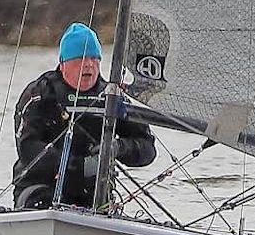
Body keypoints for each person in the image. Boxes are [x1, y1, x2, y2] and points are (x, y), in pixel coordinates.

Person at [12, 22, 156, 210]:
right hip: (40, 189)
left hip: (94, 193)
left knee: (101, 204)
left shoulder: (111, 97)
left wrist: (118, 148)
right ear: (63, 63)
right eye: (80, 59)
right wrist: (79, 166)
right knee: (42, 201)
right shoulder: (41, 94)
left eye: (94, 58)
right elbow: (29, 148)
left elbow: (148, 149)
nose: (88, 65)